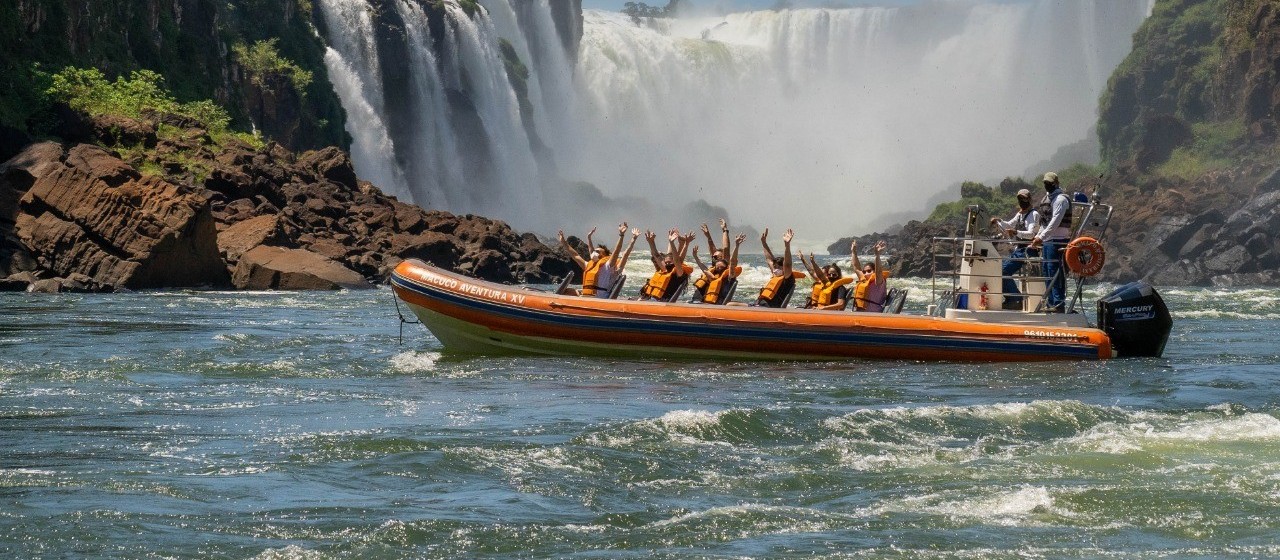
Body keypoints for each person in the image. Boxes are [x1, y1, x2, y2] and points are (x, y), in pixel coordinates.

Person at [988, 188, 1041, 310]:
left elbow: (1031, 234)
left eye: (1024, 199)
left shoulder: (1033, 214)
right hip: (1020, 249)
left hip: (1028, 249)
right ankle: (1011, 298)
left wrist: (1016, 232)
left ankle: (1016, 299)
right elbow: (1009, 224)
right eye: (1020, 199)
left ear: (1029, 200)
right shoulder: (1020, 214)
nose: (1022, 201)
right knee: (1000, 270)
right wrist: (998, 221)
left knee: (1003, 271)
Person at [556, 223, 638, 298]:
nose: (594, 252)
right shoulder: (588, 265)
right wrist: (563, 242)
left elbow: (617, 252)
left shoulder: (608, 265)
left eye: (598, 251)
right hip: (586, 297)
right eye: (595, 251)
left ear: (604, 255)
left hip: (599, 299)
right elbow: (575, 255)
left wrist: (621, 235)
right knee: (566, 291)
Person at [1030, 171, 1073, 312]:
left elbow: (1055, 222)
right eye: (1045, 183)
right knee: (1047, 272)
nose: (1047, 185)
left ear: (1056, 183)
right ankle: (1050, 303)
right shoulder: (1047, 199)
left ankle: (1059, 304)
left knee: (1056, 272)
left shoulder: (1061, 199)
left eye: (1049, 183)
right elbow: (1044, 223)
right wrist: (1038, 237)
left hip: (1059, 241)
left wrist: (1040, 238)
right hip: (1048, 241)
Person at [639, 229, 694, 301]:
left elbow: (677, 260)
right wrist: (651, 241)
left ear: (674, 263)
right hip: (650, 299)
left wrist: (672, 243)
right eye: (666, 262)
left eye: (670, 262)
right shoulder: (665, 269)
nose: (667, 264)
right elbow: (657, 255)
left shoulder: (679, 273)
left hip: (663, 302)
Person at [753, 228, 796, 308]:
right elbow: (769, 259)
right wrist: (764, 243)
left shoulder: (787, 279)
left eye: (777, 267)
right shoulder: (776, 275)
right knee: (730, 305)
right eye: (774, 267)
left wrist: (787, 245)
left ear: (783, 268)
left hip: (769, 308)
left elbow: (788, 265)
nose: (775, 269)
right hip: (759, 305)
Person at [700, 234, 746, 304]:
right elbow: (707, 264)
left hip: (720, 305)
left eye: (721, 267)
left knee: (730, 304)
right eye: (717, 267)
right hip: (708, 303)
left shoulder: (729, 275)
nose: (719, 268)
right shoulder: (713, 273)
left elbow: (732, 260)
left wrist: (736, 245)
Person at [851, 240, 890, 312]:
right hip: (860, 314)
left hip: (873, 315)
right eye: (864, 272)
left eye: (869, 271)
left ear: (874, 272)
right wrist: (853, 251)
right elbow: (856, 267)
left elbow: (878, 271)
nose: (866, 273)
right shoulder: (864, 279)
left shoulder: (878, 282)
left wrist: (877, 255)